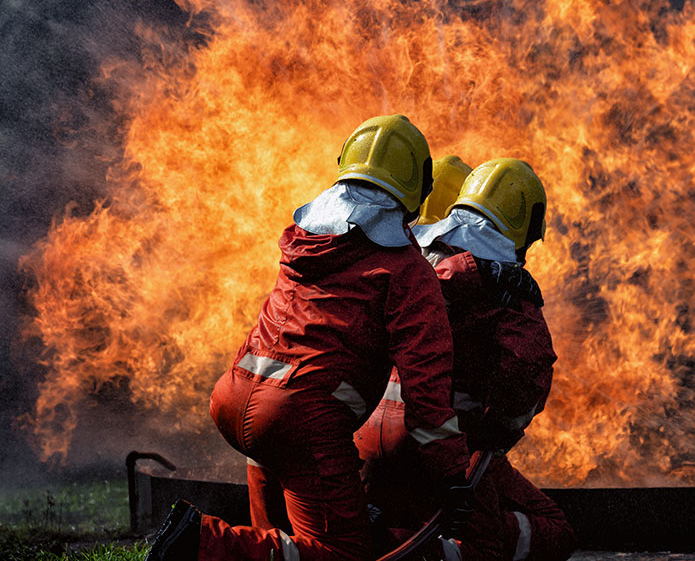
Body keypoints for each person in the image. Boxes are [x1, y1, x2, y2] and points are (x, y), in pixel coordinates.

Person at [145, 114, 471, 561]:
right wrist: (453, 474)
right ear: (417, 186)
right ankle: (199, 544)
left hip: (236, 394)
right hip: (298, 420)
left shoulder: (306, 242)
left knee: (286, 547)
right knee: (343, 553)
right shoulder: (406, 272)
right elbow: (426, 388)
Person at [355, 158, 577, 561]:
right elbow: (525, 374)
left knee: (395, 513)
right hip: (446, 445)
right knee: (527, 537)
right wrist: (492, 434)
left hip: (368, 429)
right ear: (525, 224)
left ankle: (382, 539)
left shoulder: (405, 251)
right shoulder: (509, 291)